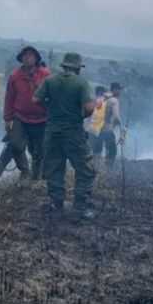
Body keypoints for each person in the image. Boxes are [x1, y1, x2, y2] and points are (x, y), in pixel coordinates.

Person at [33, 52, 97, 219]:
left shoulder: (49, 80)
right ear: (78, 68)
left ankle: (56, 205)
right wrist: (79, 115)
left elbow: (35, 100)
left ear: (64, 65)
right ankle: (80, 208)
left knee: (54, 168)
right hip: (73, 132)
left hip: (52, 131)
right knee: (85, 169)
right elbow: (90, 108)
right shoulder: (82, 83)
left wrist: (50, 109)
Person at [0, 46, 50, 184]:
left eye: (30, 55)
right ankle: (25, 171)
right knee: (15, 144)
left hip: (41, 119)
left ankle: (35, 179)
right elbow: (9, 98)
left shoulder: (45, 75)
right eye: (25, 55)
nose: (27, 58)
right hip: (20, 117)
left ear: (36, 58)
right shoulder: (15, 76)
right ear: (21, 59)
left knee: (39, 152)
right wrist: (7, 118)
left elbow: (53, 96)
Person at [101, 82, 124, 169]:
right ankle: (107, 171)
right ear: (114, 90)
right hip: (107, 129)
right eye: (119, 89)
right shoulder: (114, 100)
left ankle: (99, 169)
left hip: (96, 129)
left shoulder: (103, 98)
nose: (120, 92)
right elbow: (116, 117)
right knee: (112, 151)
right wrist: (122, 131)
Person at [85, 86, 108, 160]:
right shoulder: (97, 102)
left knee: (95, 148)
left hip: (95, 129)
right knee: (95, 149)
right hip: (94, 129)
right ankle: (94, 164)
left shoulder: (95, 102)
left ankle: (94, 164)